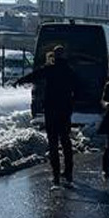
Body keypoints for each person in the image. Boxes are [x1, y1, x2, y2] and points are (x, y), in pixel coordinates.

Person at [18, 45, 78, 188]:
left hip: (51, 110)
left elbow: (35, 75)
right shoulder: (70, 71)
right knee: (65, 142)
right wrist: (71, 102)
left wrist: (20, 81)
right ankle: (68, 173)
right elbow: (78, 88)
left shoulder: (50, 69)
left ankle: (56, 176)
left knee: (53, 143)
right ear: (64, 56)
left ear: (54, 56)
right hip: (65, 112)